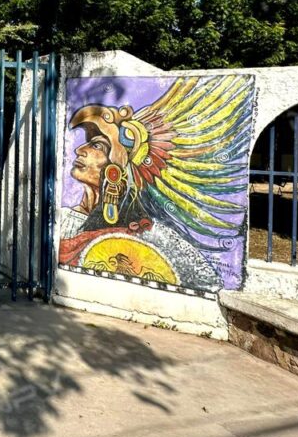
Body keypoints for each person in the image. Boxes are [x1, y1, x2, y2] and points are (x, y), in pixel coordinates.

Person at [59, 75, 254, 292]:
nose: (79, 150)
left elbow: (208, 282)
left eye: (97, 146)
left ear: (116, 170)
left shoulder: (147, 232)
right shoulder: (64, 219)